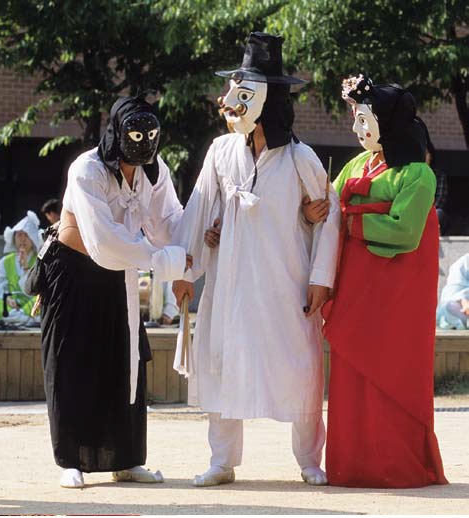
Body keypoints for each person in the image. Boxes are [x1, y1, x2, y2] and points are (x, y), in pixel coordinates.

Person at [171, 32, 340, 487]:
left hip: (285, 280)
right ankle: (222, 460)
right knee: (222, 359)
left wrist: (320, 278)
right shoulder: (221, 151)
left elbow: (329, 216)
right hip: (230, 280)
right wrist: (184, 268)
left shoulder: (300, 158)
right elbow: (200, 206)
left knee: (299, 367)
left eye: (242, 93)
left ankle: (308, 458)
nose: (228, 103)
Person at [39, 95, 188, 489]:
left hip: (121, 272)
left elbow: (169, 219)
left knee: (127, 361)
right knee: (72, 361)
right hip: (73, 270)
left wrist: (190, 249)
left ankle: (126, 457)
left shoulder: (154, 173)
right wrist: (160, 260)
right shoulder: (86, 169)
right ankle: (70, 459)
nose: (140, 148)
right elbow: (102, 239)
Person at [308, 75, 447, 487]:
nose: (359, 130)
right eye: (357, 120)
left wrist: (352, 221)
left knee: (393, 368)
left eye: (366, 121)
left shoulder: (418, 175)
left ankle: (397, 465)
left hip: (396, 290)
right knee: (353, 372)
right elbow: (333, 206)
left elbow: (406, 231)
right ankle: (353, 465)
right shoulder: (355, 164)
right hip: (357, 285)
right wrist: (314, 211)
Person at [0, 211, 41, 322]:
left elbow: (34, 290)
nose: (22, 239)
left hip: (31, 303)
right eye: (19, 235)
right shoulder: (5, 261)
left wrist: (26, 268)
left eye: (26, 235)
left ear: (33, 239)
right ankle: (21, 318)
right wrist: (7, 299)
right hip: (12, 305)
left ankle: (20, 316)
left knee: (41, 301)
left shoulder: (40, 260)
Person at [437, 254, 469, 329]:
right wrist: (463, 301)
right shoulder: (463, 263)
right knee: (451, 305)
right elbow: (452, 291)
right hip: (462, 309)